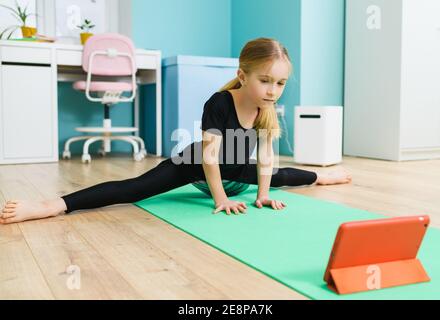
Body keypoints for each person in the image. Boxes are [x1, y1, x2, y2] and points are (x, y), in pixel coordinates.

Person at [0, 38, 351, 225]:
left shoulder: (266, 105)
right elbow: (210, 157)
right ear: (244, 76)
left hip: (234, 169)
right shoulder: (219, 102)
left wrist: (260, 194)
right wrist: (222, 200)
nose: (273, 90)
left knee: (279, 175)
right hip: (196, 164)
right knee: (135, 189)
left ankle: (322, 175)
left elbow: (267, 155)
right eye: (265, 80)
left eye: (280, 83)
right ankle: (52, 205)